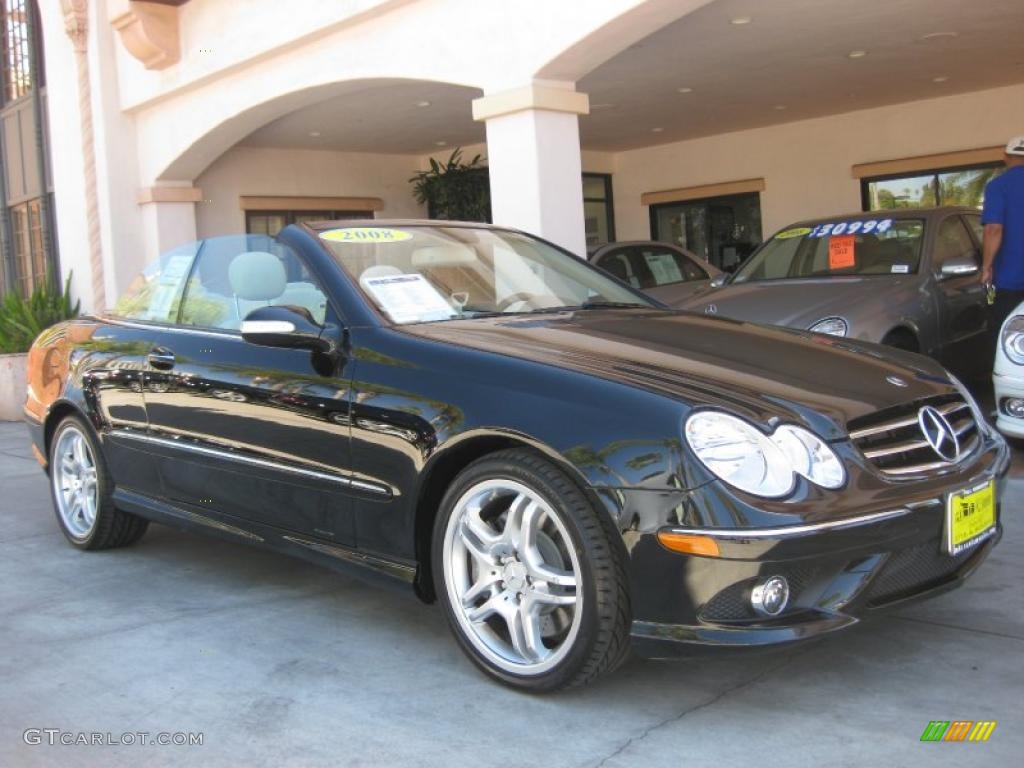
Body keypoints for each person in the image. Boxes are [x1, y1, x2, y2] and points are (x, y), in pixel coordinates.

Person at [981, 135, 1024, 345]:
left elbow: (993, 229)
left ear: (1006, 156)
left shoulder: (998, 186)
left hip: (1010, 280)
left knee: (1008, 339)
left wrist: (986, 266)